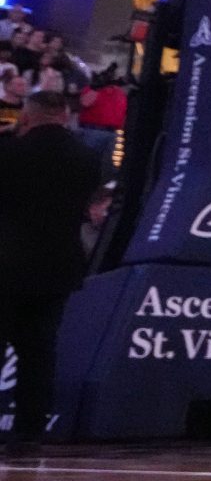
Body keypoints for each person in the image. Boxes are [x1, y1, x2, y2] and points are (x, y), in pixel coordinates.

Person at [0, 92, 103, 455]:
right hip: (58, 266)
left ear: (28, 116)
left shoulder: (10, 152)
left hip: (7, 262)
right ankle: (29, 433)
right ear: (64, 115)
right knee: (40, 352)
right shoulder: (87, 157)